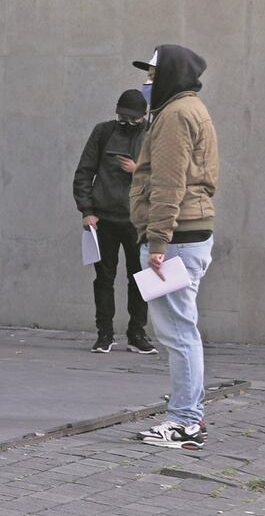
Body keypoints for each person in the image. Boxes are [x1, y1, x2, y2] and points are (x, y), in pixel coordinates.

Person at [129, 45, 219, 450]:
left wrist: (157, 240)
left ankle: (184, 421)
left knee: (176, 331)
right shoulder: (190, 109)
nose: (147, 82)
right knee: (182, 329)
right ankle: (190, 414)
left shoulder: (176, 115)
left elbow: (168, 182)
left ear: (170, 75)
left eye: (152, 74)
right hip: (188, 235)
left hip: (175, 239)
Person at [73, 89, 155, 354]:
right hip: (103, 219)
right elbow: (84, 172)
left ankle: (137, 334)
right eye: (122, 116)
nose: (127, 122)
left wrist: (137, 170)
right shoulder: (103, 132)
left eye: (133, 118)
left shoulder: (153, 136)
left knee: (140, 279)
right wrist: (87, 210)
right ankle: (104, 334)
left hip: (138, 221)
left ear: (145, 115)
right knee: (103, 279)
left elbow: (168, 180)